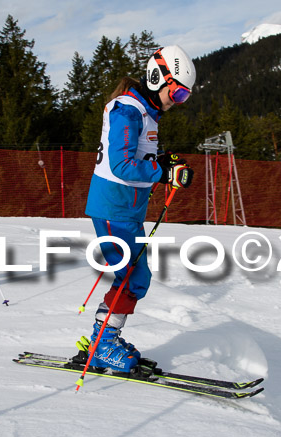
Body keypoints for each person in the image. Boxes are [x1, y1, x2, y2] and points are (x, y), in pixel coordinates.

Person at [81, 46, 196, 372]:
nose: (178, 99)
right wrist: (162, 173)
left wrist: (163, 161)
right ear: (158, 77)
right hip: (113, 208)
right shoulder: (128, 110)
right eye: (177, 91)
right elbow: (121, 165)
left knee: (135, 277)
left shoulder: (145, 111)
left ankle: (103, 339)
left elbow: (139, 157)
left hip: (126, 210)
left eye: (184, 95)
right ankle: (102, 344)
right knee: (132, 278)